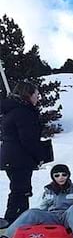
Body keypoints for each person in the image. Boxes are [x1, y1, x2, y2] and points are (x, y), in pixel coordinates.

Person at [1, 81, 46, 226]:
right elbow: (28, 140)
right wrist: (39, 156)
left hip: (12, 157)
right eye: (36, 95)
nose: (38, 98)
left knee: (19, 189)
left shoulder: (13, 110)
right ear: (28, 95)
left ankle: (16, 221)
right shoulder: (23, 112)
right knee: (21, 191)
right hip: (19, 158)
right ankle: (15, 223)